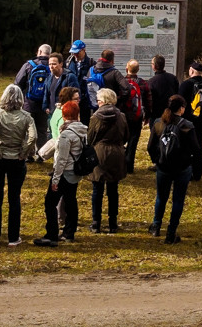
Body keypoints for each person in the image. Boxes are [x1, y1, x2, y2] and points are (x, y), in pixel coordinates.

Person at [0, 84, 36, 245]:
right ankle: (13, 237)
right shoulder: (26, 116)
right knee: (14, 197)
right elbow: (33, 137)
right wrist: (25, 152)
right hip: (17, 159)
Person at [34, 100, 88, 247]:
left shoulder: (66, 135)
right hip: (76, 172)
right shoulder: (83, 130)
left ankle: (51, 234)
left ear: (64, 116)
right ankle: (69, 233)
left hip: (65, 172)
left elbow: (61, 160)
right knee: (71, 201)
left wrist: (55, 179)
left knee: (50, 202)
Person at [150, 95, 198, 244]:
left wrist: (157, 160)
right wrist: (190, 162)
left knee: (161, 197)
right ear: (182, 108)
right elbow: (196, 149)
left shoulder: (159, 123)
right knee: (178, 200)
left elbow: (150, 147)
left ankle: (156, 226)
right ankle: (171, 232)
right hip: (182, 168)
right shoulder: (187, 125)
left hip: (163, 167)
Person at [86, 89, 127, 233]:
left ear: (103, 101)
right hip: (116, 153)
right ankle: (113, 223)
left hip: (99, 152)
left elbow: (90, 138)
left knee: (97, 189)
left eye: (98, 100)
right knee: (113, 189)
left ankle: (96, 222)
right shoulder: (121, 116)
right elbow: (126, 135)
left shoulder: (95, 117)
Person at [179, 59, 202, 181]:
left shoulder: (186, 84)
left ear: (192, 71)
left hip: (188, 120)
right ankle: (197, 173)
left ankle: (187, 172)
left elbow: (179, 101)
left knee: (186, 146)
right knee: (199, 145)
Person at [13, 44, 55, 146]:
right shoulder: (52, 66)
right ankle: (41, 154)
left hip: (29, 103)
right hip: (45, 104)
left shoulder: (29, 64)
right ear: (49, 54)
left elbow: (18, 83)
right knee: (42, 130)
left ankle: (28, 154)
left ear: (39, 52)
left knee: (27, 129)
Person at [146, 55, 179, 167]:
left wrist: (147, 114)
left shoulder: (151, 82)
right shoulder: (173, 78)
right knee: (171, 137)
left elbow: (149, 101)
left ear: (154, 66)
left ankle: (158, 161)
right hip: (171, 113)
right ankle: (169, 158)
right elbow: (177, 94)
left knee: (156, 139)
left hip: (156, 115)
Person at [122, 59, 148, 173]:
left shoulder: (122, 82)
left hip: (124, 115)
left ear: (127, 68)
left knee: (121, 139)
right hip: (137, 115)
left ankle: (120, 164)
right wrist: (147, 115)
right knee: (133, 140)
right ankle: (129, 166)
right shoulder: (142, 83)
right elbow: (148, 100)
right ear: (138, 70)